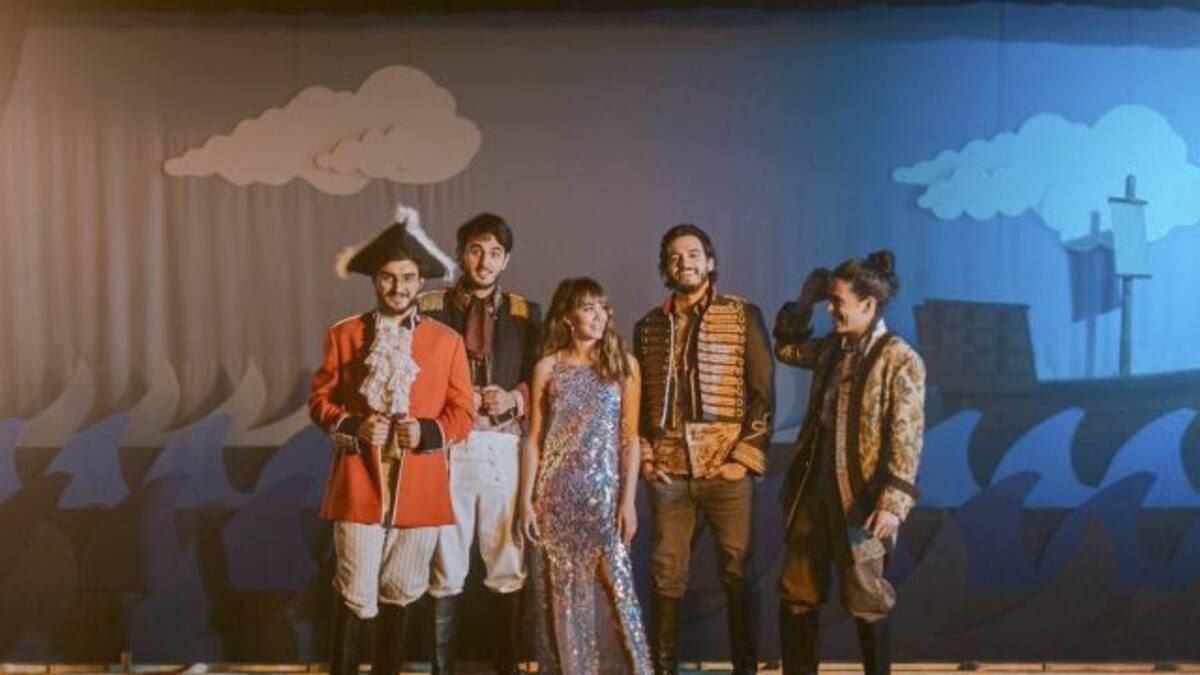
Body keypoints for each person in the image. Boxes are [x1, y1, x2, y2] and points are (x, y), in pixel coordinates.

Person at [309, 205, 474, 675]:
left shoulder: (447, 342)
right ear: (375, 280)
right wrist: (353, 426)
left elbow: (463, 414)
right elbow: (319, 401)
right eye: (388, 277)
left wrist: (426, 431)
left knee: (401, 591)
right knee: (355, 592)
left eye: (407, 278)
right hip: (358, 483)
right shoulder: (343, 335)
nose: (398, 287)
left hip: (419, 488)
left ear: (420, 281)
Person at [773, 250, 926, 675]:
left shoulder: (900, 358)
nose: (830, 309)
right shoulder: (832, 348)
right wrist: (804, 301)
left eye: (837, 301)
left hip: (861, 497)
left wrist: (892, 504)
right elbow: (787, 348)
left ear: (868, 304)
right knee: (798, 589)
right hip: (813, 486)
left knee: (866, 595)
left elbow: (907, 437)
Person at [633, 224, 774, 675]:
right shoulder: (648, 326)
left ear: (710, 262)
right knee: (666, 572)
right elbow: (640, 404)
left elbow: (763, 393)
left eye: (693, 254)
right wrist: (647, 458)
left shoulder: (742, 314)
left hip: (725, 466)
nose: (685, 263)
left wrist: (742, 460)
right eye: (675, 256)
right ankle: (663, 669)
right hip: (670, 471)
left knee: (737, 570)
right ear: (665, 267)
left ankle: (745, 670)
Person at [418, 213, 541, 674]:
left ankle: (506, 667)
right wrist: (455, 397)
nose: (484, 262)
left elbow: (541, 376)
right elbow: (414, 375)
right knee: (445, 563)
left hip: (503, 447)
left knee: (507, 559)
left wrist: (514, 398)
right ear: (460, 254)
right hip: (448, 446)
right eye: (475, 250)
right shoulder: (429, 306)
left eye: (494, 253)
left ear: (506, 259)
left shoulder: (527, 313)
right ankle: (441, 669)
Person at [518, 277, 652, 675]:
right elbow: (534, 439)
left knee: (617, 589)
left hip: (605, 499)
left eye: (603, 308)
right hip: (555, 497)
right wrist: (526, 501)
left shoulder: (624, 365)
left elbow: (630, 440)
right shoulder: (547, 367)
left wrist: (628, 502)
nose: (599, 316)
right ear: (567, 316)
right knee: (561, 592)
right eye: (588, 308)